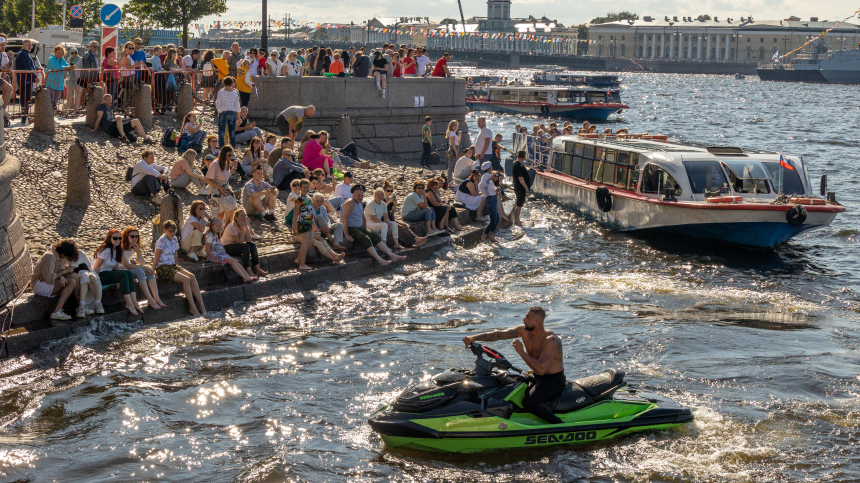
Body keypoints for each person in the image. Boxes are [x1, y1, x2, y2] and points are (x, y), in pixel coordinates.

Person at [462, 307, 564, 424]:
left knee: (529, 402)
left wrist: (521, 352)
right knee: (508, 382)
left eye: (527, 317)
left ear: (537, 322)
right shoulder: (523, 331)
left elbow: (541, 369)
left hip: (553, 380)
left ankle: (558, 424)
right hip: (536, 376)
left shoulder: (550, 340)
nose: (523, 319)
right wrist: (474, 338)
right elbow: (499, 335)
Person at [30, 239, 95, 320]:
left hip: (49, 280)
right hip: (39, 284)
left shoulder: (58, 256)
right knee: (72, 282)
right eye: (67, 256)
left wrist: (62, 276)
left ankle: (81, 306)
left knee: (74, 276)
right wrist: (64, 272)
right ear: (64, 253)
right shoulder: (50, 257)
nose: (67, 258)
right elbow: (49, 279)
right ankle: (57, 311)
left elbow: (56, 272)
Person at [342, 185, 406, 266]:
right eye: (358, 195)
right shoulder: (350, 203)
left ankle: (392, 255)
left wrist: (365, 229)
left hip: (359, 227)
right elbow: (344, 219)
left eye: (362, 195)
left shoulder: (360, 202)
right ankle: (380, 260)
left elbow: (363, 216)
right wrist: (347, 234)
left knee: (375, 236)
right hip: (350, 228)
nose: (360, 197)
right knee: (366, 239)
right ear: (353, 194)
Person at [153, 220, 206, 315]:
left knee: (192, 276)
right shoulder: (161, 241)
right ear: (164, 230)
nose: (172, 233)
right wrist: (153, 271)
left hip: (172, 265)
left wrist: (178, 268)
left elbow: (175, 255)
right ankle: (192, 307)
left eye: (174, 231)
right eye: (170, 231)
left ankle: (201, 305)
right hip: (163, 267)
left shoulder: (174, 239)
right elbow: (156, 257)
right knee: (186, 279)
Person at [93, 229, 143, 316]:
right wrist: (96, 282)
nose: (118, 240)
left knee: (129, 273)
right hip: (99, 275)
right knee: (123, 275)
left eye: (119, 238)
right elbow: (96, 267)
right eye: (115, 238)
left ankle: (134, 302)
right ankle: (129, 303)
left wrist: (117, 279)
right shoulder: (106, 250)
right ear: (109, 238)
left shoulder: (117, 250)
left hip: (108, 273)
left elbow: (115, 268)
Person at [120, 226, 167, 309]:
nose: (135, 238)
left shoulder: (133, 247)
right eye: (132, 236)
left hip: (128, 270)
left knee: (149, 271)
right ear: (126, 237)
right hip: (121, 271)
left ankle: (156, 298)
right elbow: (127, 265)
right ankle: (150, 300)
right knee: (140, 270)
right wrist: (145, 267)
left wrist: (138, 251)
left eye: (136, 236)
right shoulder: (120, 248)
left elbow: (142, 262)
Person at [205, 217, 257, 283]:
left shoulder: (216, 234)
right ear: (212, 226)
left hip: (219, 253)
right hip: (214, 255)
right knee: (232, 261)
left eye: (220, 226)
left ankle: (247, 275)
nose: (218, 227)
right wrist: (215, 259)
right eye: (216, 226)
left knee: (235, 260)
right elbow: (207, 249)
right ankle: (244, 277)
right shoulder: (210, 236)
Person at [223, 210, 268, 277]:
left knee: (252, 245)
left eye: (245, 215)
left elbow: (249, 240)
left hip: (236, 246)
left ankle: (258, 269)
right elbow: (240, 241)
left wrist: (246, 226)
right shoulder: (231, 226)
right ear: (236, 218)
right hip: (226, 247)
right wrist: (242, 227)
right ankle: (248, 270)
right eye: (242, 215)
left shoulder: (243, 225)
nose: (244, 217)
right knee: (246, 247)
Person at [383, 181, 427, 247]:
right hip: (383, 219)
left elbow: (393, 212)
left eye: (391, 191)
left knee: (405, 225)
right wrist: (389, 202)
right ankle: (413, 243)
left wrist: (394, 205)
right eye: (388, 190)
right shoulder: (382, 199)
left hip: (390, 218)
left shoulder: (390, 199)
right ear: (384, 190)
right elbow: (381, 208)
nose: (390, 192)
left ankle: (416, 238)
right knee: (401, 227)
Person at [205, 146, 239, 222]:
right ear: (224, 154)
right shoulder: (215, 164)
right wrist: (220, 188)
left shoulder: (226, 163)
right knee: (219, 213)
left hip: (225, 188)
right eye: (229, 155)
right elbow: (207, 179)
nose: (231, 157)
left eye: (232, 155)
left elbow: (224, 178)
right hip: (215, 190)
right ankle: (218, 231)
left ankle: (228, 229)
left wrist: (233, 169)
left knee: (233, 209)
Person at [15, 39, 37, 122]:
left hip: (25, 79)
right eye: (28, 45)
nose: (30, 47)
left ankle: (25, 116)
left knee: (26, 98)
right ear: (23, 45)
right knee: (26, 99)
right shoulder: (23, 54)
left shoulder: (24, 54)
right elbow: (27, 67)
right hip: (25, 80)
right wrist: (35, 76)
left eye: (31, 45)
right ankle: (24, 117)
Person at [215, 76, 240, 147]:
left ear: (224, 83)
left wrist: (218, 109)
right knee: (232, 131)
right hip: (232, 113)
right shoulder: (235, 93)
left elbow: (218, 105)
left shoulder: (221, 92)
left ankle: (222, 146)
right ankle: (232, 147)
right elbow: (237, 106)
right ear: (232, 83)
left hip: (223, 112)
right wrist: (239, 117)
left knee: (222, 131)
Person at [480, 168, 501, 242]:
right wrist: (489, 179)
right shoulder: (486, 176)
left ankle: (491, 236)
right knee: (493, 221)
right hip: (490, 200)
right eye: (491, 168)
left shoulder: (489, 177)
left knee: (497, 220)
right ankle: (484, 236)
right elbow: (481, 186)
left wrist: (497, 190)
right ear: (489, 168)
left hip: (494, 198)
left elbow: (492, 188)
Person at [512, 150, 531, 227]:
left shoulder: (516, 163)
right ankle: (517, 221)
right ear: (524, 157)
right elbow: (520, 178)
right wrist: (526, 187)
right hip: (520, 187)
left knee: (520, 203)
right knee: (519, 203)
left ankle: (518, 219)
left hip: (518, 186)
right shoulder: (519, 165)